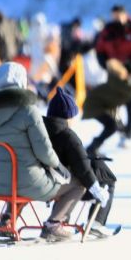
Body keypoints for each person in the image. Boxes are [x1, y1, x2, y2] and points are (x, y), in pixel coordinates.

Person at [0, 62, 85, 241]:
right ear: (21, 82)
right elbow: (44, 151)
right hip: (30, 182)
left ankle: (7, 220)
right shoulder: (28, 111)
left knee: (18, 175)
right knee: (78, 184)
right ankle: (54, 224)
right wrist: (59, 166)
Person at [42, 87, 113, 238]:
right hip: (51, 186)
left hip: (35, 180)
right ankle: (95, 223)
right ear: (68, 116)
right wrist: (98, 191)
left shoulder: (39, 130)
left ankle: (59, 220)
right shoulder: (68, 136)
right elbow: (83, 169)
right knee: (92, 181)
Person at [95, 5, 131, 144]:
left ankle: (129, 133)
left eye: (119, 14)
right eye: (114, 15)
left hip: (130, 71)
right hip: (114, 71)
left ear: (125, 14)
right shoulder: (108, 30)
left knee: (130, 102)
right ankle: (120, 128)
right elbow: (100, 49)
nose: (117, 17)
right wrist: (104, 63)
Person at [83, 59, 131, 156]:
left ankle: (93, 147)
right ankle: (92, 148)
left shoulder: (119, 81)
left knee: (113, 126)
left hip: (99, 106)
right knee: (112, 126)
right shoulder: (121, 84)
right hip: (94, 106)